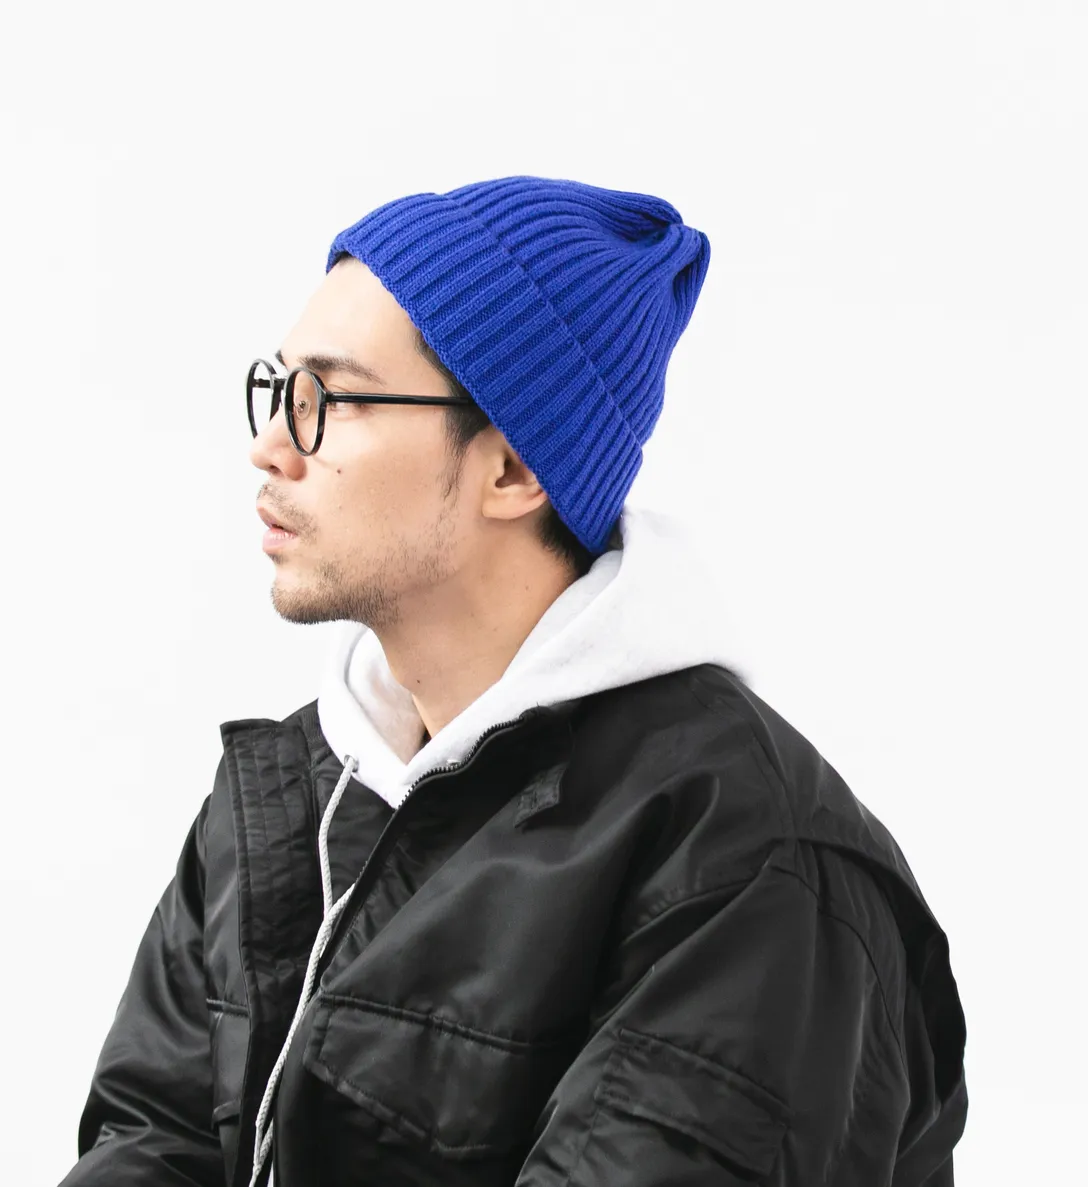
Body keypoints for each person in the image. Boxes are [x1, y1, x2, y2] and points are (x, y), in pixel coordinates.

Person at [59, 175, 968, 1187]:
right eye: (279, 389)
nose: (270, 444)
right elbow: (151, 1136)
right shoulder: (283, 799)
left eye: (331, 399)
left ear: (513, 470)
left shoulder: (743, 856)